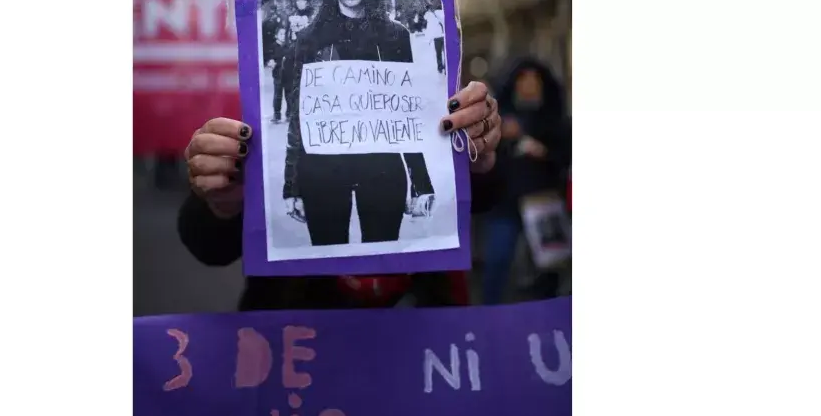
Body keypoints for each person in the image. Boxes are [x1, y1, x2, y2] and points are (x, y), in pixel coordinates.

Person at [179, 79, 500, 311]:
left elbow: (489, 192)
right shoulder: (269, 113)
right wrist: (222, 201)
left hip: (423, 350)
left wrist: (478, 157)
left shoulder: (426, 94)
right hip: (292, 352)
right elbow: (207, 244)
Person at [281, 0, 436, 245]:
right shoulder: (308, 39)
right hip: (322, 171)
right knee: (329, 268)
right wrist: (292, 185)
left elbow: (404, 113)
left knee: (381, 265)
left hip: (382, 168)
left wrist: (421, 183)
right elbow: (298, 115)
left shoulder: (395, 36)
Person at [477, 56, 570, 305]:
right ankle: (489, 316)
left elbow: (565, 158)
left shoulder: (555, 120)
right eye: (523, 80)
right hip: (505, 202)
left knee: (549, 267)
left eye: (534, 80)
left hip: (543, 203)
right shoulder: (499, 116)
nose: (528, 85)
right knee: (497, 260)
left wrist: (544, 152)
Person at [268, 28, 287, 123]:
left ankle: (289, 113)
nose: (283, 36)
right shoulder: (273, 46)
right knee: (277, 95)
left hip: (288, 74)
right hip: (277, 74)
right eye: (281, 34)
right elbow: (270, 58)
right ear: (276, 36)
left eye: (284, 34)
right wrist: (271, 62)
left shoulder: (287, 46)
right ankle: (277, 114)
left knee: (289, 95)